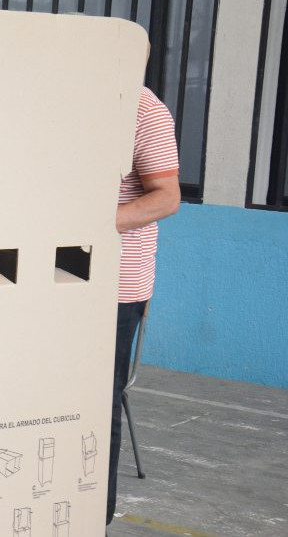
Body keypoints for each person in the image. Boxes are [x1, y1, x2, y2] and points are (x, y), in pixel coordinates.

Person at [107, 86, 180, 527]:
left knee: (98, 399)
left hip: (115, 285)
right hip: (51, 273)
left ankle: (94, 515)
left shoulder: (144, 109)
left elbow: (166, 197)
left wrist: (89, 223)